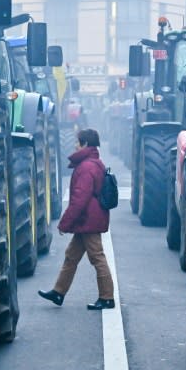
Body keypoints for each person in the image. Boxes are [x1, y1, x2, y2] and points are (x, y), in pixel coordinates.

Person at [38, 128, 115, 310]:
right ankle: (58, 292)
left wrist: (65, 223)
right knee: (71, 256)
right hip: (88, 219)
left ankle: (107, 298)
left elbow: (80, 199)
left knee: (97, 257)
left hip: (89, 219)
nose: (75, 145)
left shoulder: (87, 167)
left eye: (78, 142)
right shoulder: (94, 162)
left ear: (85, 144)